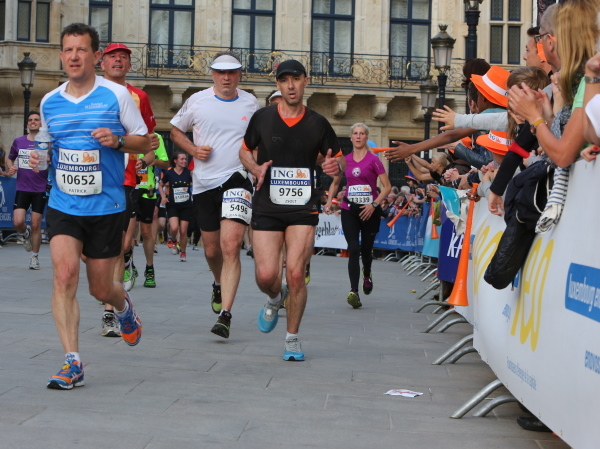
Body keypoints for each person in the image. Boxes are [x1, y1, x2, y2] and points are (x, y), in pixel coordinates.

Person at [35, 23, 149, 389]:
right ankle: (73, 361)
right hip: (64, 203)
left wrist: (117, 141)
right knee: (64, 275)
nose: (74, 57)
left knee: (101, 289)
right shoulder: (49, 101)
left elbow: (145, 141)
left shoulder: (116, 95)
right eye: (68, 50)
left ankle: (123, 306)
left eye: (81, 50)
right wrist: (39, 159)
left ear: (95, 56)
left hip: (106, 206)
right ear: (61, 56)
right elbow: (45, 148)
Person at [239, 59, 343, 361]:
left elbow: (339, 158)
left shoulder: (318, 123)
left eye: (296, 79)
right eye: (284, 80)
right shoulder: (262, 118)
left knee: (296, 273)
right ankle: (275, 297)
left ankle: (292, 339)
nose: (291, 85)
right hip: (267, 206)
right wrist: (255, 168)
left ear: (305, 82)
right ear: (278, 85)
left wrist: (336, 166)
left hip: (302, 207)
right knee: (265, 275)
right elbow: (244, 151)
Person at [170, 52, 260, 338]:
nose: (226, 78)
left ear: (239, 75)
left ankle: (226, 315)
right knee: (212, 250)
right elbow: (175, 131)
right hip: (204, 183)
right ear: (212, 74)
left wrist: (256, 168)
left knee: (231, 246)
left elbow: (257, 142)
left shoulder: (251, 103)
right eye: (221, 73)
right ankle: (218, 283)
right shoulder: (197, 100)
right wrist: (193, 150)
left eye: (232, 73)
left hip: (238, 179)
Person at [99, 42, 164, 338]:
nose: (118, 61)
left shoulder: (139, 97)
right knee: (92, 251)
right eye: (112, 56)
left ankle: (110, 312)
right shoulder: (87, 92)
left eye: (123, 57)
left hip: (124, 181)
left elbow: (150, 140)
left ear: (129, 65)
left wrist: (145, 161)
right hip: (90, 178)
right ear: (102, 62)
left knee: (119, 245)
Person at [325, 123, 391, 308]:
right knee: (353, 248)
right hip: (350, 209)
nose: (359, 136)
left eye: (362, 133)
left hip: (369, 210)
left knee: (366, 250)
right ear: (351, 138)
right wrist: (329, 201)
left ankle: (367, 273)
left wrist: (374, 204)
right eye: (355, 133)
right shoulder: (345, 160)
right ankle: (354, 291)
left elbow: (387, 187)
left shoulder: (374, 160)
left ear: (366, 137)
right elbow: (335, 182)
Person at [5, 111, 49, 269]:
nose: (33, 122)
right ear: (27, 124)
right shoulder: (19, 141)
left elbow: (54, 160)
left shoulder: (46, 142)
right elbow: (9, 159)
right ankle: (25, 232)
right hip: (22, 187)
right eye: (30, 120)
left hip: (40, 188)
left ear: (41, 124)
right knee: (18, 221)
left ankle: (34, 257)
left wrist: (49, 160)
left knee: (36, 224)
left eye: (36, 119)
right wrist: (11, 168)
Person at [159, 152, 193, 261]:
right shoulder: (169, 173)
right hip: (172, 204)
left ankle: (183, 252)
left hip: (186, 205)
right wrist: (163, 197)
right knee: (174, 227)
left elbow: (196, 183)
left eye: (185, 159)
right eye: (182, 159)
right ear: (175, 160)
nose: (184, 161)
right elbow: (160, 185)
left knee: (183, 231)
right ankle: (173, 240)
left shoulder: (189, 173)